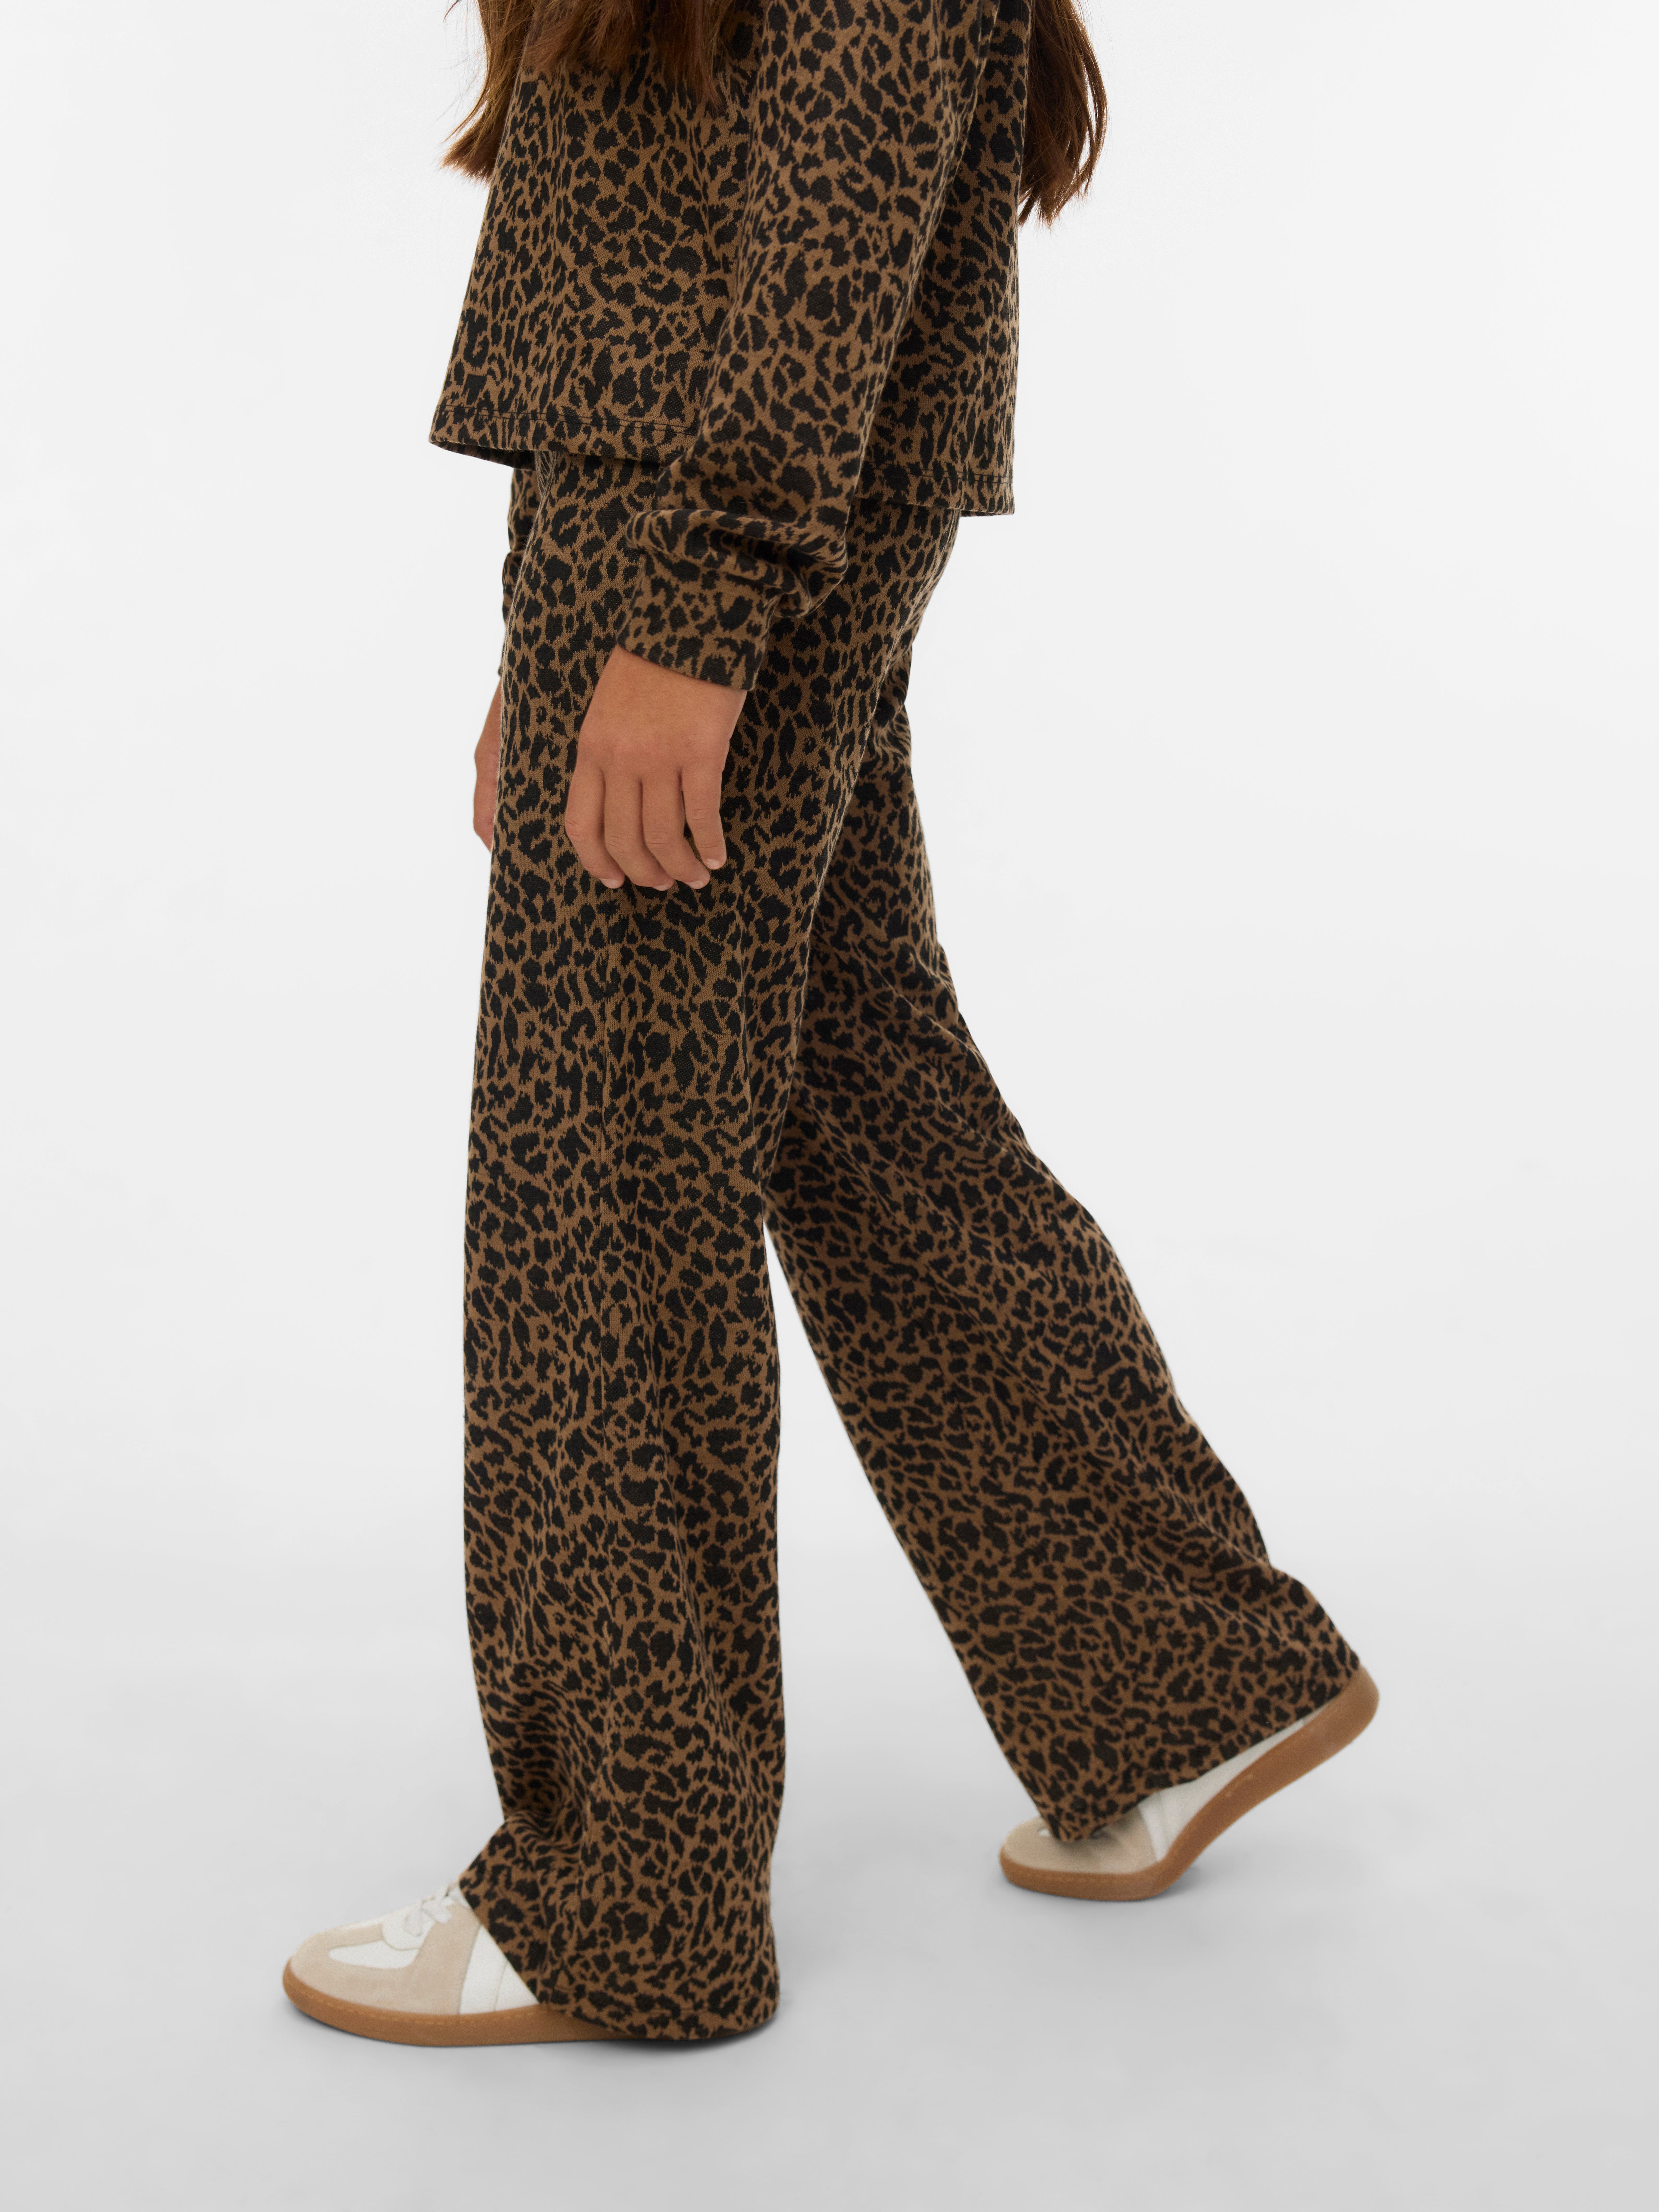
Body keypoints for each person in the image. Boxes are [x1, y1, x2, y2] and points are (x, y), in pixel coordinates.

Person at [282, 0, 1376, 2049]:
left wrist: (692, 611)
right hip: (680, 493)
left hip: (724, 500)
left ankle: (634, 1894)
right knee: (854, 1092)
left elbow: (851, 150)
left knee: (602, 1179)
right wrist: (568, 628)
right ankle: (1176, 1669)